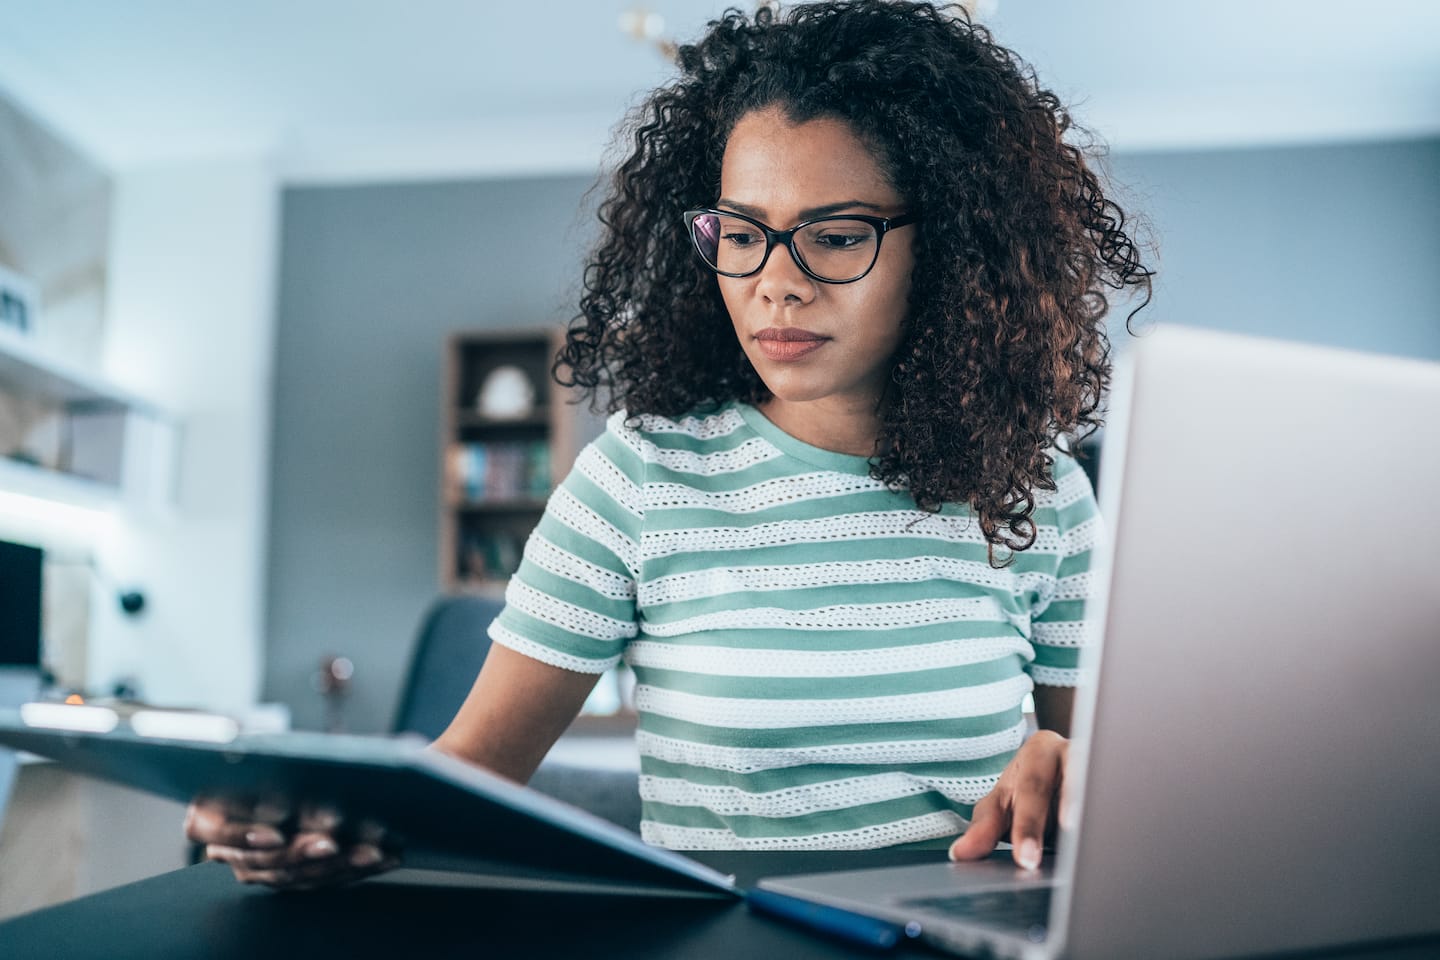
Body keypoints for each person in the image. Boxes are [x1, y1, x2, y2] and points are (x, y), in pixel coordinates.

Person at [188, 0, 1151, 887]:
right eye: (743, 232)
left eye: (836, 234)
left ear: (943, 248)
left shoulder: (1041, 495)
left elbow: (1114, 801)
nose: (775, 282)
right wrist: (321, 819)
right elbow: (470, 772)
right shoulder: (638, 475)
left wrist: (1080, 781)